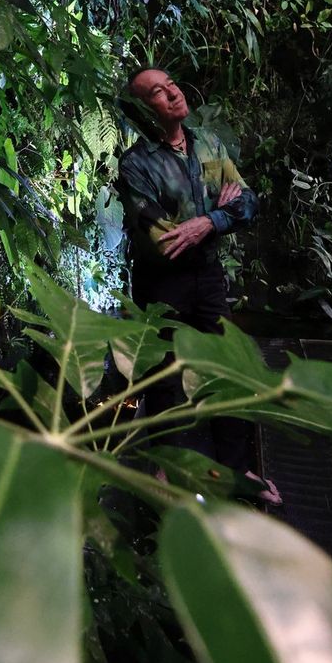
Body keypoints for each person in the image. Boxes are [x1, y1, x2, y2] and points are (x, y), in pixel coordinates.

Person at [117, 66, 281, 503]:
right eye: (157, 92)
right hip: (161, 285)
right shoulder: (135, 165)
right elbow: (164, 241)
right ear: (142, 108)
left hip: (207, 279)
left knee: (230, 368)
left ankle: (237, 470)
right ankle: (168, 472)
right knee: (166, 380)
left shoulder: (208, 143)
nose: (172, 93)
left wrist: (209, 220)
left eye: (171, 84)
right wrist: (219, 214)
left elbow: (248, 202)